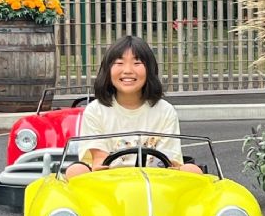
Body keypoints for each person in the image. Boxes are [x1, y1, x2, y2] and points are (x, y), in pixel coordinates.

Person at [65, 35, 203, 178]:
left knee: (191, 170)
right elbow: (100, 161)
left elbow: (170, 163)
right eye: (119, 63)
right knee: (74, 172)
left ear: (149, 69)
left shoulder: (165, 110)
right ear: (108, 71)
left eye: (137, 63)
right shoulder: (96, 110)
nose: (128, 70)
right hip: (110, 185)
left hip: (155, 184)